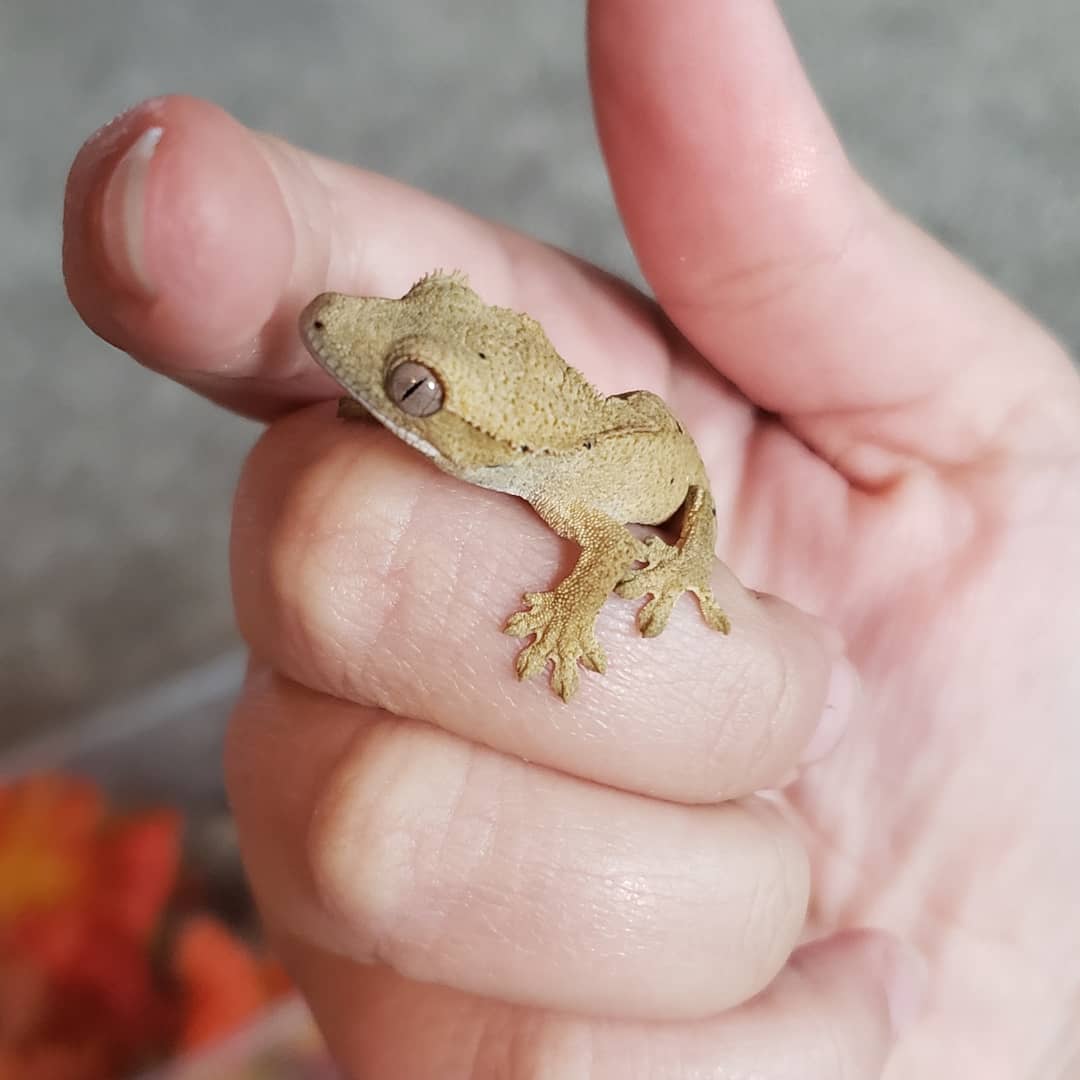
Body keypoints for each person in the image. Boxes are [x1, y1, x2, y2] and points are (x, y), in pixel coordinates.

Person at [63, 2, 1080, 1075]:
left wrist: (589, 603)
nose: (339, 332)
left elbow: (606, 547)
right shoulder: (504, 432)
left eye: (408, 386)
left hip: (646, 475)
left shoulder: (571, 494)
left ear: (480, 431)